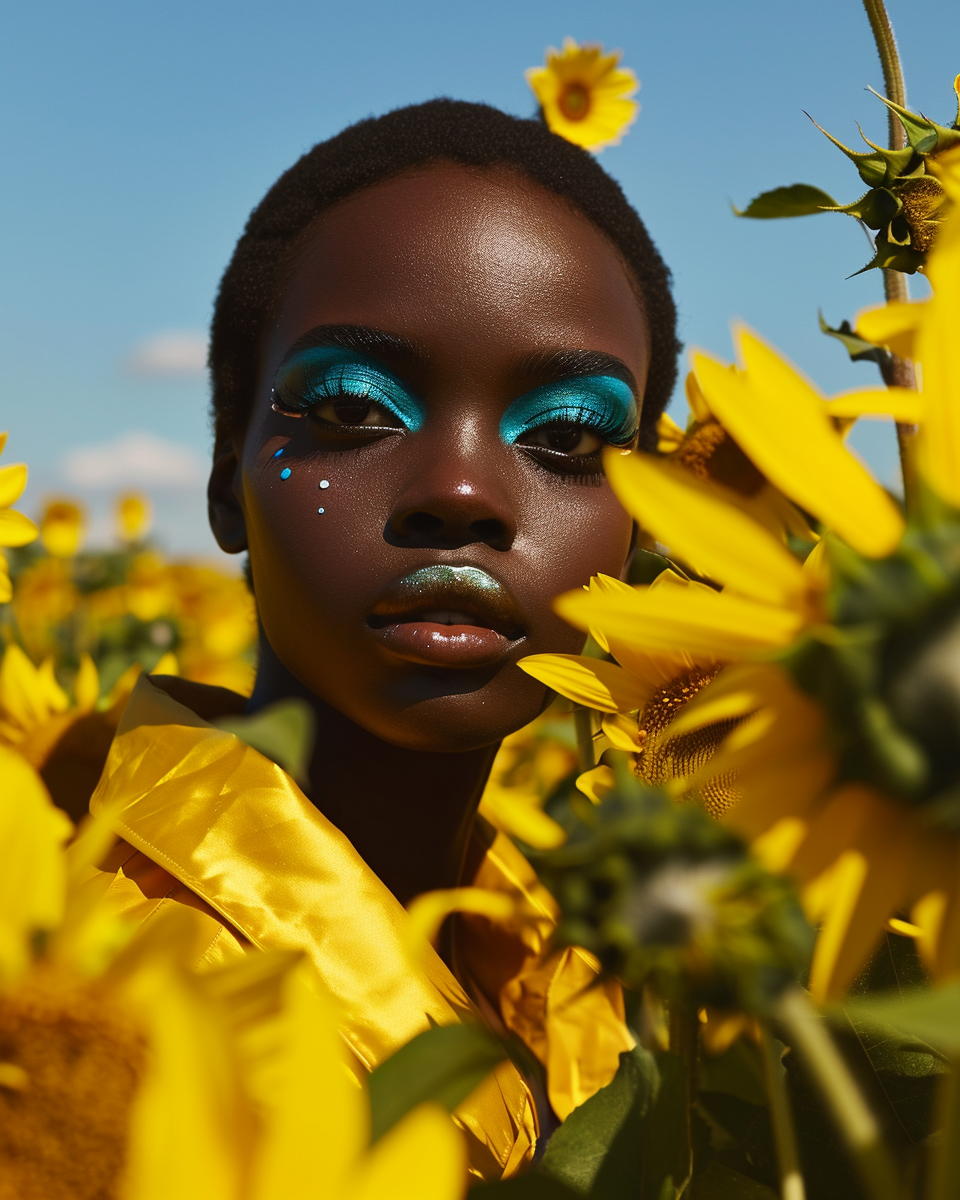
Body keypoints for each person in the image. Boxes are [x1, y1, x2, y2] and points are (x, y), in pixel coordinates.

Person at [84, 99, 680, 1182]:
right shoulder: (90, 1007)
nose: (461, 491)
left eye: (566, 438)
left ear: (642, 530)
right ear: (227, 483)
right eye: (356, 411)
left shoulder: (599, 964)